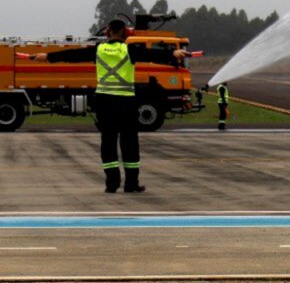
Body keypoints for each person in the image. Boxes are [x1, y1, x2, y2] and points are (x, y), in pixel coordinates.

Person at [29, 20, 188, 193]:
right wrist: (173, 54)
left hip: (105, 102)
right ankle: (131, 183)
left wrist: (48, 57)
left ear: (108, 32)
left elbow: (74, 55)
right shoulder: (129, 50)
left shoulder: (99, 50)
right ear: (125, 33)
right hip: (126, 102)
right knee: (130, 143)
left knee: (108, 142)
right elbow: (150, 55)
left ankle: (111, 184)